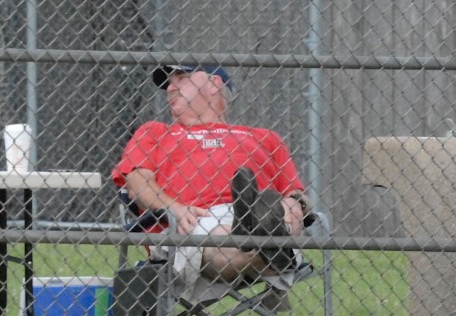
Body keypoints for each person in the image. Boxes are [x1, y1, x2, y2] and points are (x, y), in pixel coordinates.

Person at [111, 64, 314, 300]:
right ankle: (267, 243)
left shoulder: (266, 138)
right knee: (222, 233)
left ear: (214, 83)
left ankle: (261, 232)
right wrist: (173, 208)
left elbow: (297, 194)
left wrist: (297, 204)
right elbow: (137, 185)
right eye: (168, 83)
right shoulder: (154, 132)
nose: (170, 88)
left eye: (181, 78)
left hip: (267, 212)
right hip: (194, 220)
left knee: (284, 209)